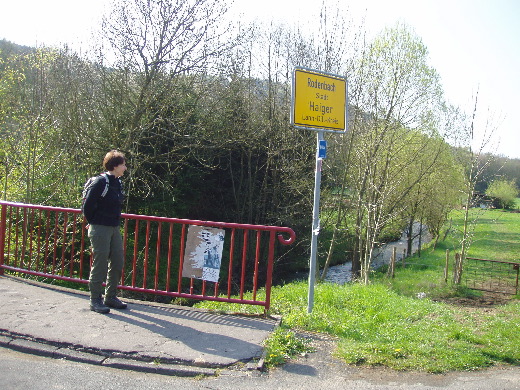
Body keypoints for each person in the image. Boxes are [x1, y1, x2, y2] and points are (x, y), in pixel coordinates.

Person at [83, 150, 128, 314]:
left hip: (114, 227)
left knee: (117, 261)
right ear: (115, 166)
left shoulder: (117, 182)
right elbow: (87, 206)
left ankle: (110, 297)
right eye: (123, 164)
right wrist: (93, 223)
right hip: (100, 227)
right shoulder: (101, 182)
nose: (125, 167)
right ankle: (95, 300)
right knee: (100, 263)